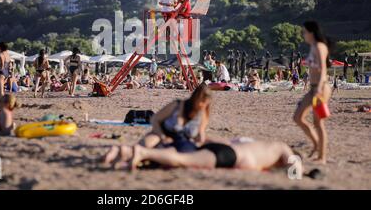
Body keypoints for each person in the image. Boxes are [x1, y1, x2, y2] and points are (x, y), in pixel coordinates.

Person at [124, 138, 297, 172]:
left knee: (178, 157)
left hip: (225, 148)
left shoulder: (263, 145)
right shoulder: (281, 147)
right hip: (229, 156)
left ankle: (128, 155)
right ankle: (143, 152)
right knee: (182, 160)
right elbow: (295, 166)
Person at [293, 21, 332, 164]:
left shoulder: (320, 47)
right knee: (298, 117)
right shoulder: (312, 47)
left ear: (311, 32)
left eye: (304, 32)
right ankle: (316, 144)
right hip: (313, 88)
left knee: (318, 122)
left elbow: (323, 70)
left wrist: (319, 90)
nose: (303, 35)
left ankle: (322, 157)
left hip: (321, 88)